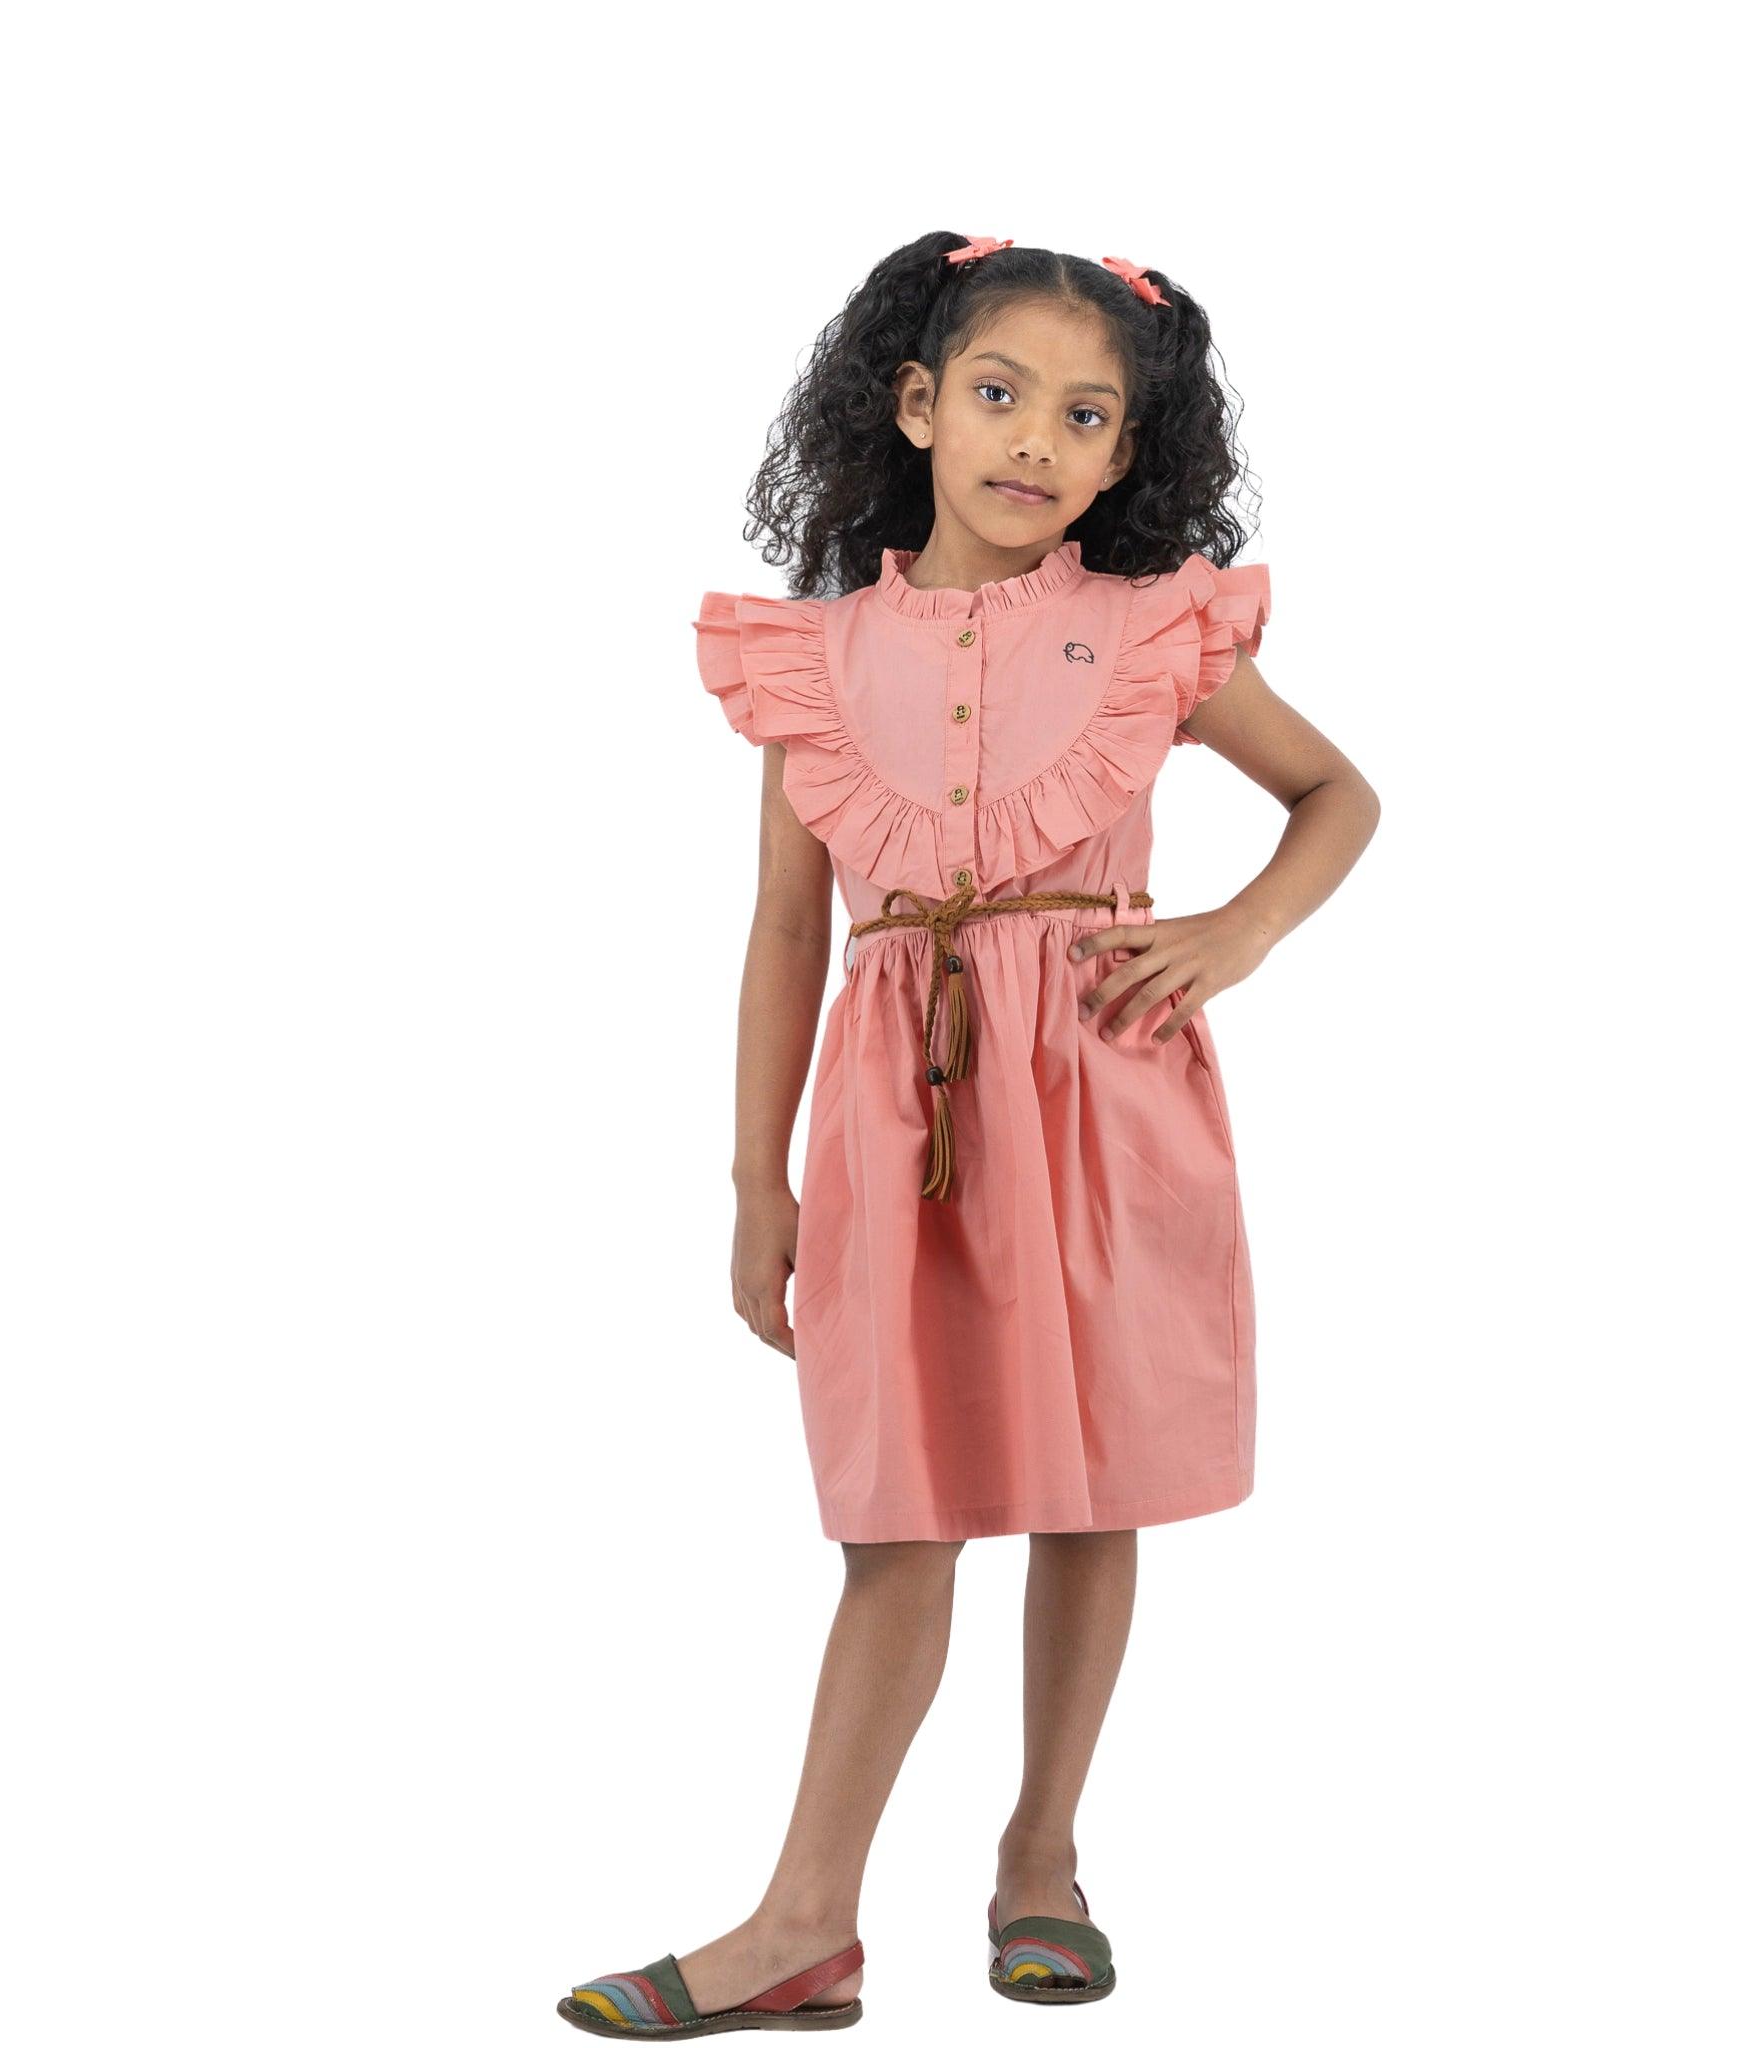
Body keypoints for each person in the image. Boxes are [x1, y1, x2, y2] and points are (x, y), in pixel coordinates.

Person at [559, 233, 1380, 2038]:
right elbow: (788, 930)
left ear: (1123, 458)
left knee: (1098, 1487)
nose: (1037, 439)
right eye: (999, 394)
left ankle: (1042, 1859)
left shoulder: (1148, 627)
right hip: (892, 1106)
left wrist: (1232, 933)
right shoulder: (815, 655)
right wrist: (756, 1179)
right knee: (895, 1522)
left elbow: (1338, 793)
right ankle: (805, 1922)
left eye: (1088, 416)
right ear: (919, 406)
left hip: (1101, 1088)